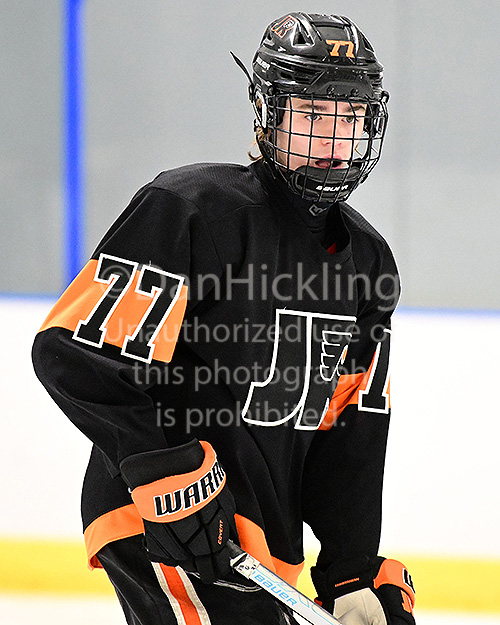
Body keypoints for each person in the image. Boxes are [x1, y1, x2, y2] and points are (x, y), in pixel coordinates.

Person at [32, 12, 416, 625]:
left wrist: (350, 572)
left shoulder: (367, 264)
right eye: (312, 113)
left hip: (261, 545)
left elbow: (350, 432)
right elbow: (76, 352)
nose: (332, 139)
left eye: (349, 117)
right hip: (162, 521)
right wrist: (164, 473)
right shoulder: (191, 210)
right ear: (268, 113)